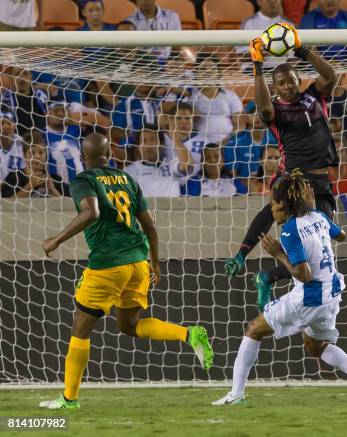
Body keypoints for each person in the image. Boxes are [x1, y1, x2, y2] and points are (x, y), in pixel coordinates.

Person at [38, 133, 213, 410]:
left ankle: (69, 399)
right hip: (138, 262)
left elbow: (91, 212)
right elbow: (151, 226)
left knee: (80, 330)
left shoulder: (84, 180)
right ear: (110, 154)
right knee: (129, 326)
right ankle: (189, 334)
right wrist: (155, 263)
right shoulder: (127, 180)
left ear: (84, 157)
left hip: (109, 265)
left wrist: (55, 240)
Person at [212, 170, 347, 405]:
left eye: (275, 205)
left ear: (286, 205)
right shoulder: (318, 217)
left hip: (309, 296)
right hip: (332, 293)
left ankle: (236, 395)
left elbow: (304, 275)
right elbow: (342, 235)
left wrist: (278, 254)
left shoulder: (290, 231)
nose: (272, 211)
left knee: (254, 329)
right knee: (315, 347)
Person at [224, 25, 340, 302]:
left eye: (291, 80)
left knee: (320, 244)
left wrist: (302, 49)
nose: (288, 85)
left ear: (299, 79)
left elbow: (331, 75)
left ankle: (267, 277)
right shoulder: (274, 109)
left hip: (321, 180)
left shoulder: (315, 96)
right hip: (293, 177)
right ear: (275, 87)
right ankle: (241, 255)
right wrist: (258, 67)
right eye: (282, 83)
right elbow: (263, 110)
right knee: (272, 210)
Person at [124, 127, 192, 197]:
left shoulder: (171, 164)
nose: (148, 145)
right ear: (138, 147)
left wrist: (175, 139)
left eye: (152, 139)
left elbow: (186, 165)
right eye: (144, 141)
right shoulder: (129, 171)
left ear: (161, 144)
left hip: (172, 207)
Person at [224, 102, 277, 183]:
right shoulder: (234, 143)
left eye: (261, 114)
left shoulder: (276, 140)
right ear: (246, 117)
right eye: (253, 114)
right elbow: (233, 175)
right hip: (244, 191)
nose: (257, 117)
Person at [1, 132, 65, 198]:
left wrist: (53, 190)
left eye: (41, 153)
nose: (37, 156)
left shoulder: (56, 179)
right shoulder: (14, 177)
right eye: (32, 153)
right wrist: (30, 186)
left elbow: (69, 205)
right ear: (24, 155)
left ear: (46, 155)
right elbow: (8, 204)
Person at [44, 101, 85, 184]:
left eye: (63, 110)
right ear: (47, 114)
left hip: (81, 185)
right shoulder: (41, 135)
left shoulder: (78, 131)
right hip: (58, 188)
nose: (60, 114)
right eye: (55, 111)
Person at [0, 111, 25, 184]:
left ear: (14, 126)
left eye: (9, 123)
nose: (5, 127)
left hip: (20, 187)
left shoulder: (25, 144)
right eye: (2, 123)